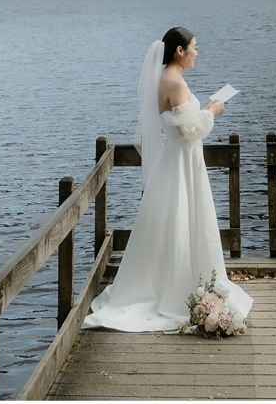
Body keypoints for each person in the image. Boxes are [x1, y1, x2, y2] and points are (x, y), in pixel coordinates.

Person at [83, 27, 253, 332]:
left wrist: (203, 111)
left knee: (177, 219)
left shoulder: (166, 78)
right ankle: (182, 286)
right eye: (194, 48)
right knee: (182, 218)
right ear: (179, 50)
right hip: (182, 159)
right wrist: (213, 111)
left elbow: (183, 124)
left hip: (178, 159)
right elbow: (190, 131)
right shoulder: (174, 82)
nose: (197, 53)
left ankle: (186, 278)